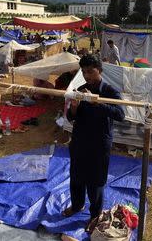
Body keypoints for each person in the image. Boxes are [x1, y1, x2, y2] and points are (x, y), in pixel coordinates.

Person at [63, 54, 125, 231]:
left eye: (90, 71)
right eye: (83, 71)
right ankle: (77, 205)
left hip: (99, 143)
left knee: (95, 182)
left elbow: (120, 115)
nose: (87, 75)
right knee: (76, 176)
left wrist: (97, 102)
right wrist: (74, 108)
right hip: (80, 140)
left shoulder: (110, 91)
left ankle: (95, 215)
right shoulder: (80, 89)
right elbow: (70, 117)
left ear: (100, 70)